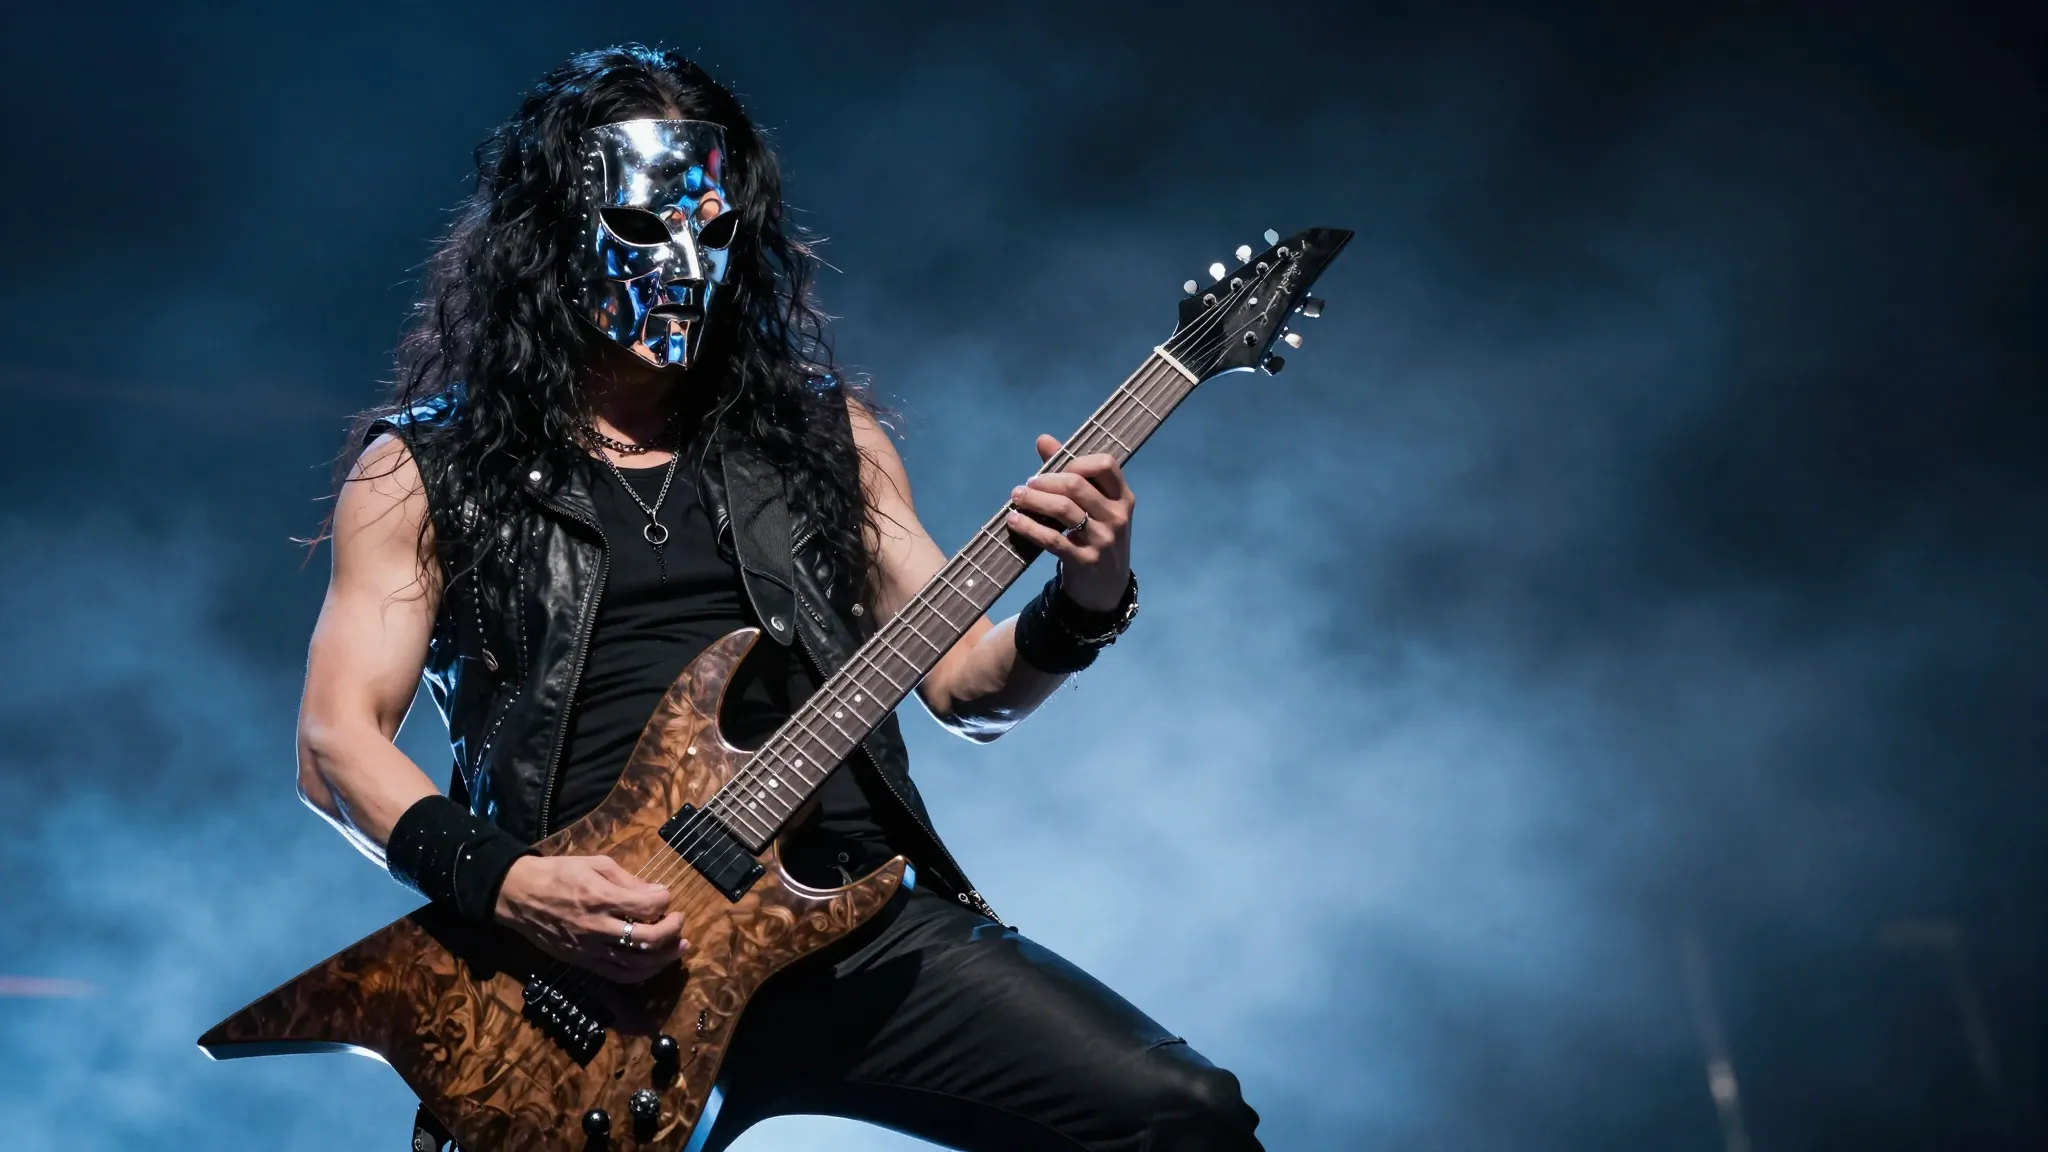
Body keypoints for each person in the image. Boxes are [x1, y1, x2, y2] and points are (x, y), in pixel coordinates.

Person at [295, 44, 1262, 1151]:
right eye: (642, 229)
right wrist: (512, 886)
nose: (684, 265)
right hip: (587, 980)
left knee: (1182, 1117)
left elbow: (966, 687)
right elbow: (335, 744)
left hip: (846, 930)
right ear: (548, 234)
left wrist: (1087, 596)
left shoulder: (821, 435)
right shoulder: (430, 467)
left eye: (712, 234)